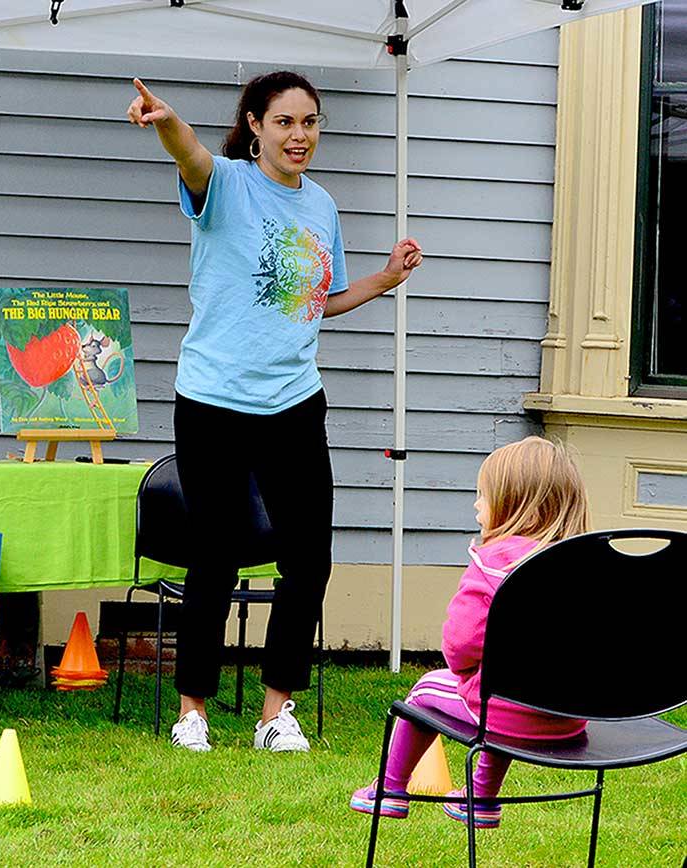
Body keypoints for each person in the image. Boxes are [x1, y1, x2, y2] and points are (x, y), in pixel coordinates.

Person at [127, 72, 423, 753]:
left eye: (310, 123)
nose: (300, 136)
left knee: (308, 560)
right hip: (214, 401)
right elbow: (189, 153)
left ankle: (274, 713)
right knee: (215, 560)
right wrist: (167, 120)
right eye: (285, 122)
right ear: (255, 125)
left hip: (293, 402)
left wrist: (384, 279)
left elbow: (317, 300)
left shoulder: (321, 206)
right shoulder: (225, 184)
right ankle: (193, 712)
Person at [349, 436, 591, 828]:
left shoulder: (494, 565)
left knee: (426, 692)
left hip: (511, 716)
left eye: (483, 495)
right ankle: (477, 796)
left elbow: (458, 649)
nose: (477, 505)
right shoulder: (584, 567)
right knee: (512, 688)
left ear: (512, 504)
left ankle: (390, 791)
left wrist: (469, 670)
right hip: (573, 718)